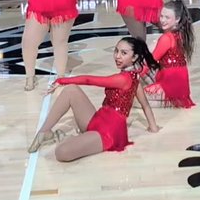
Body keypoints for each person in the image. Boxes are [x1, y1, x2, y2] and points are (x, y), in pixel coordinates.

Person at [29, 37, 160, 161]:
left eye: (123, 53)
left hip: (108, 133)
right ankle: (44, 132)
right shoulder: (134, 78)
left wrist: (62, 80)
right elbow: (145, 106)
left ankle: (66, 138)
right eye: (116, 51)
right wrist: (153, 127)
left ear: (134, 57)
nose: (117, 56)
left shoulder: (123, 79)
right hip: (98, 119)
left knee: (61, 153)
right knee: (71, 90)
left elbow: (89, 80)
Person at [146, 0, 196, 108]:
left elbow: (150, 63)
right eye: (161, 16)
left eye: (167, 17)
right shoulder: (182, 34)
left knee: (136, 98)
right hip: (181, 86)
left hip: (170, 86)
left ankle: (169, 100)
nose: (162, 20)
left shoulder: (166, 38)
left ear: (177, 19)